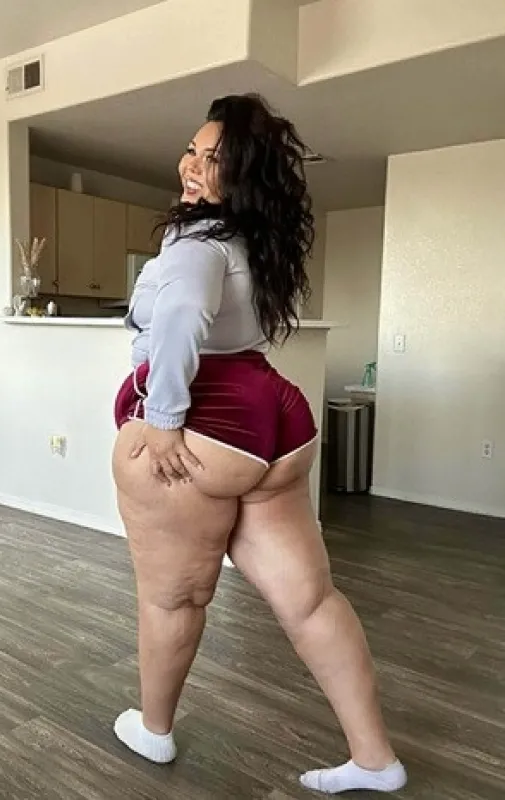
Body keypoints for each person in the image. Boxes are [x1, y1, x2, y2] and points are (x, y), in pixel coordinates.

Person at [112, 93, 407, 795]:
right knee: (310, 601)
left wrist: (164, 415)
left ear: (243, 174)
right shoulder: (256, 239)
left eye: (214, 159)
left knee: (175, 600)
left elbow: (183, 313)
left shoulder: (196, 243)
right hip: (273, 419)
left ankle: (154, 730)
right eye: (192, 150)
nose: (191, 165)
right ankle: (375, 759)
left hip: (207, 426)